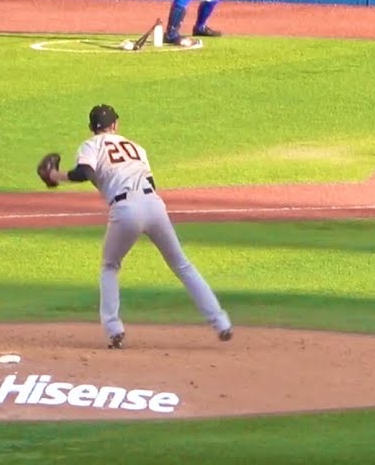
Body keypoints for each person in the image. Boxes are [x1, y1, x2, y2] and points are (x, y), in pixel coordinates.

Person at [39, 104, 234, 349]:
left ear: (91, 127)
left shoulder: (91, 145)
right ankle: (221, 322)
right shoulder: (136, 148)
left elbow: (84, 172)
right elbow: (151, 182)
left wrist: (54, 176)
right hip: (154, 205)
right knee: (182, 265)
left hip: (125, 210)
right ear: (115, 124)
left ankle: (114, 330)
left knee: (110, 266)